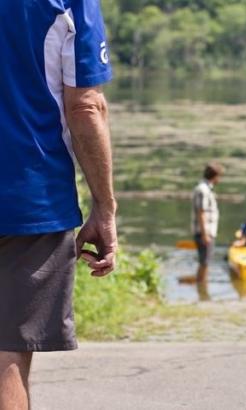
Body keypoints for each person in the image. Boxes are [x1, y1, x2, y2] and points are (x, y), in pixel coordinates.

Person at [0, 2, 116, 409]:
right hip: (27, 201)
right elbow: (85, 105)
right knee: (7, 355)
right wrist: (105, 207)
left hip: (28, 203)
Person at [192, 162, 224, 285]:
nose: (219, 179)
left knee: (205, 262)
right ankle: (201, 287)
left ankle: (202, 288)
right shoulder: (203, 190)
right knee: (204, 262)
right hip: (204, 233)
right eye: (219, 176)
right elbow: (201, 212)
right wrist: (205, 234)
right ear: (214, 176)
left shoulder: (206, 189)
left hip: (206, 232)